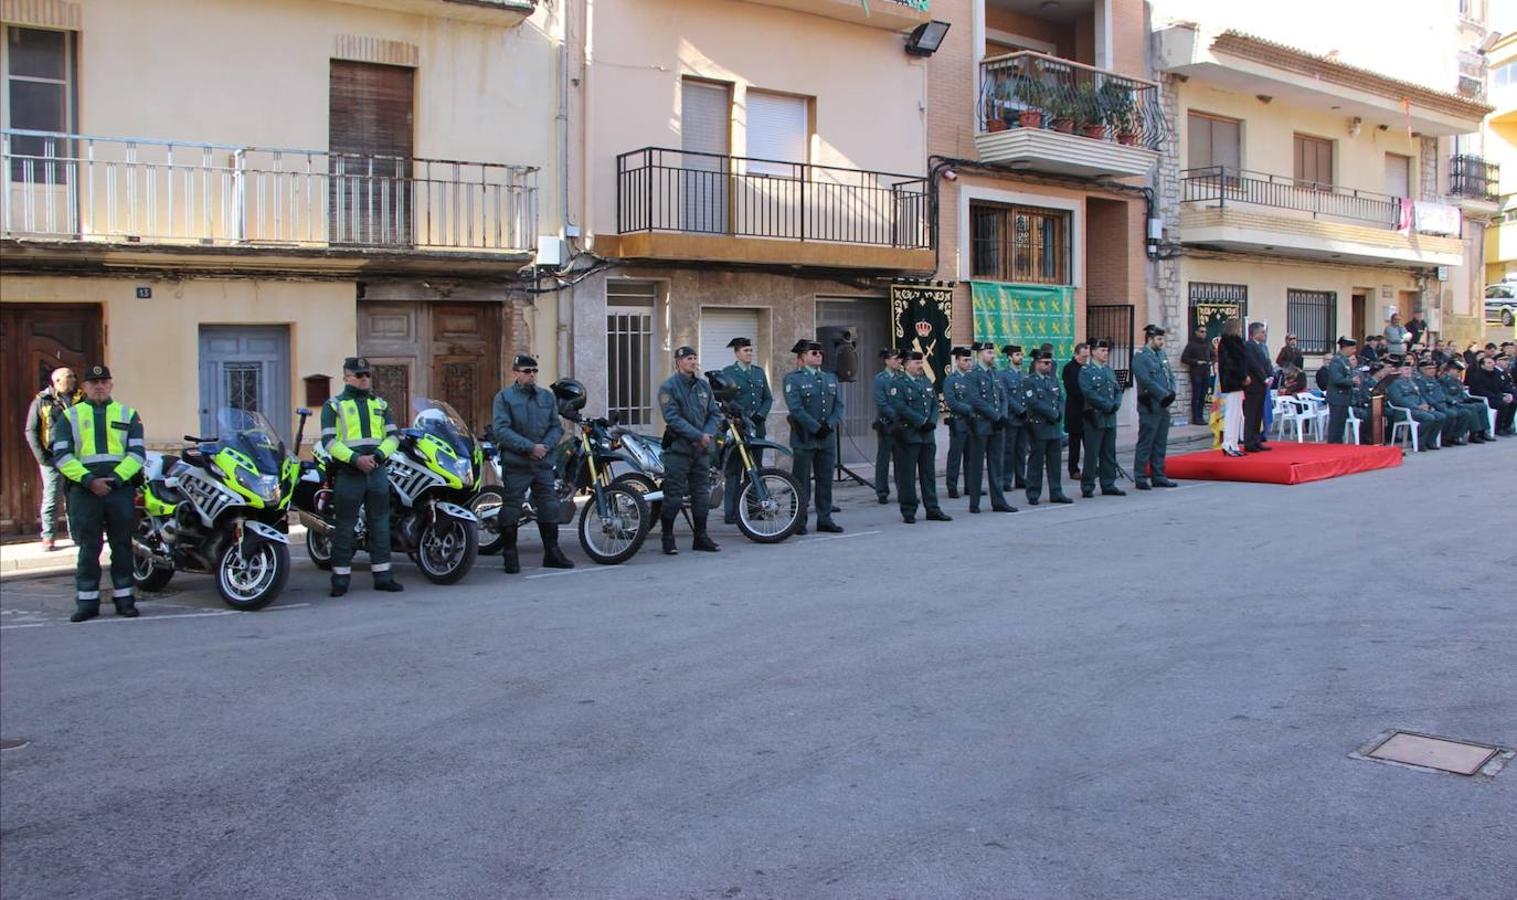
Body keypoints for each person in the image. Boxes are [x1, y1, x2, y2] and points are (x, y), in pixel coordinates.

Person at [49, 365, 144, 622]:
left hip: (119, 491)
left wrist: (114, 480)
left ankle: (125, 600)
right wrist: (90, 481)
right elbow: (61, 455)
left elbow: (137, 455)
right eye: (94, 383)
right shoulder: (70, 417)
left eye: (104, 381)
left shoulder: (128, 414)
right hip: (84, 492)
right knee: (88, 548)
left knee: (122, 547)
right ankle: (87, 602)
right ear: (85, 388)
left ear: (111, 384)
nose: (99, 386)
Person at [321, 357, 407, 596]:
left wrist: (378, 456)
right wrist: (355, 459)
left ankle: (383, 576)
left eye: (367, 374)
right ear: (346, 377)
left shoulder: (380, 404)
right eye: (359, 375)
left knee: (380, 524)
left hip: (376, 471)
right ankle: (340, 579)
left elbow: (393, 437)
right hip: (350, 473)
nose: (364, 379)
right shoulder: (334, 405)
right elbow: (328, 441)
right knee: (345, 526)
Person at [658, 346, 722, 554]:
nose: (693, 362)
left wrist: (708, 434)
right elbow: (672, 418)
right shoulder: (669, 387)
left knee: (701, 494)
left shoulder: (703, 386)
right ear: (678, 363)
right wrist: (698, 436)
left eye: (694, 358)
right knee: (673, 496)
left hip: (701, 450)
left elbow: (714, 413)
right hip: (679, 450)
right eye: (688, 359)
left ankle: (701, 537)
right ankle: (667, 537)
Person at [783, 339, 844, 535]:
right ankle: (798, 520)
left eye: (820, 353)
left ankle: (824, 518)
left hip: (827, 438)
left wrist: (830, 424)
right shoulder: (793, 379)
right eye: (813, 353)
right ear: (802, 358)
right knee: (801, 482)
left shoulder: (830, 378)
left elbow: (838, 406)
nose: (818, 356)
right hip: (805, 437)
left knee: (825, 480)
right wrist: (816, 427)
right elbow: (796, 408)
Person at [889, 351, 952, 524]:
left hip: (927, 435)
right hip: (909, 434)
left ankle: (932, 508)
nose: (919, 366)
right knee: (907, 475)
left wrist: (931, 421)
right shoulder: (898, 383)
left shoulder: (925, 381)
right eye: (916, 363)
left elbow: (934, 404)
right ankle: (909, 510)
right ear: (907, 364)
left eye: (920, 362)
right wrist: (920, 421)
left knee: (928, 474)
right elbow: (900, 406)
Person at [25, 366, 81, 551]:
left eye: (73, 376)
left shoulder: (80, 399)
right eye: (68, 377)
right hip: (52, 459)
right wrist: (42, 458)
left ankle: (77, 535)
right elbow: (31, 431)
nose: (73, 379)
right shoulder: (42, 401)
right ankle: (48, 537)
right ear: (56, 381)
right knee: (52, 498)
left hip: (75, 458)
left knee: (74, 499)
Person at [719, 337, 773, 525]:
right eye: (745, 351)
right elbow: (725, 400)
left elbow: (768, 398)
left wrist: (761, 415)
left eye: (750, 350)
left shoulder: (758, 373)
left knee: (755, 470)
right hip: (737, 428)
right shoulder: (728, 373)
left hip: (756, 428)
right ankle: (731, 512)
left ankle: (755, 510)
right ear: (737, 353)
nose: (749, 354)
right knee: (734, 471)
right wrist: (738, 416)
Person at [967, 342, 1014, 513]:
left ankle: (998, 501)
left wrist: (1003, 416)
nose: (992, 355)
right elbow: (975, 400)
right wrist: (996, 416)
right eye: (988, 352)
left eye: (993, 352)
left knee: (997, 464)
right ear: (979, 354)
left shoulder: (995, 373)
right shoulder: (973, 374)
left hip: (996, 425)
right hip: (981, 424)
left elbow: (1003, 397)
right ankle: (974, 502)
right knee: (977, 464)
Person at [1022, 350, 1073, 505]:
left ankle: (1056, 492)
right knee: (1036, 462)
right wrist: (1052, 413)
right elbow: (1034, 402)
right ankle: (1033, 493)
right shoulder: (1030, 381)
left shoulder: (1053, 380)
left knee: (1055, 463)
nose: (1049, 365)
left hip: (1054, 427)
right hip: (1039, 426)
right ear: (1037, 364)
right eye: (1046, 363)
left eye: (1050, 362)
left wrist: (1059, 413)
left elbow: (1061, 399)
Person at [1132, 325, 1179, 487]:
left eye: (1162, 339)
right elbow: (1146, 380)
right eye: (1159, 339)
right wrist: (1163, 394)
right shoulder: (1141, 357)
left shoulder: (1161, 355)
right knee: (1146, 441)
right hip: (1150, 405)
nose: (1162, 342)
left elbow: (1169, 375)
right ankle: (1140, 476)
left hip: (1163, 405)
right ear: (1150, 339)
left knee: (1160, 441)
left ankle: (1158, 475)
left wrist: (1172, 392)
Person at [1077, 339, 1124, 498]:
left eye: (1106, 351)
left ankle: (1108, 483)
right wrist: (1106, 405)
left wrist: (1116, 404)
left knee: (1109, 452)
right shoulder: (1086, 371)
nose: (1105, 354)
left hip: (1110, 417)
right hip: (1095, 416)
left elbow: (1118, 389)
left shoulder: (1108, 370)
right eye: (1102, 351)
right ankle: (1088, 485)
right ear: (1094, 352)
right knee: (1092, 453)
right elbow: (1089, 392)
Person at [1383, 358, 1446, 449]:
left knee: (1441, 416)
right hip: (1405, 411)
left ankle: (1430, 441)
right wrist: (1417, 406)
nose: (1408, 371)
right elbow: (1398, 400)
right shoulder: (1394, 383)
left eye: (1409, 369)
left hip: (1418, 409)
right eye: (1405, 369)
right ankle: (1419, 442)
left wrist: (1424, 404)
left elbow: (1420, 395)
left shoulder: (1411, 382)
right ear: (1398, 370)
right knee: (1429, 418)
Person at [871, 348, 904, 505]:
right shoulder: (880, 379)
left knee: (901, 459)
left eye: (900, 359)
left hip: (901, 424)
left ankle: (903, 490)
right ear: (887, 360)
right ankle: (882, 491)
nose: (899, 361)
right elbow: (881, 402)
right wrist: (896, 416)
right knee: (884, 458)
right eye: (896, 359)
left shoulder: (902, 377)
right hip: (887, 424)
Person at [1413, 358, 1471, 446]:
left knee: (1465, 412)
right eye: (1429, 368)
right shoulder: (1420, 381)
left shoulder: (1434, 379)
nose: (1432, 370)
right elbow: (1424, 395)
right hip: (1434, 405)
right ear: (1421, 369)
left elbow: (1441, 393)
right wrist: (1435, 404)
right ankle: (1444, 438)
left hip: (1443, 403)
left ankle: (1455, 436)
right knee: (1450, 414)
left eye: (1433, 368)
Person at [997, 344, 1029, 491]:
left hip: (1024, 419)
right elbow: (1006, 397)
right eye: (1017, 355)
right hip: (1011, 418)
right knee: (1008, 451)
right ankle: (1006, 480)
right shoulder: (1003, 375)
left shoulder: (1024, 375)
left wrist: (1027, 411)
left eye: (1021, 355)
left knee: (1021, 450)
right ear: (1009, 357)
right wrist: (1020, 410)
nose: (1020, 357)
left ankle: (1020, 478)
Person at [943, 347, 973, 499]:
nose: (968, 363)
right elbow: (952, 402)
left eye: (969, 360)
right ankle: (952, 486)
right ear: (957, 361)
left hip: (972, 423)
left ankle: (970, 486)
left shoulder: (972, 378)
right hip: (959, 422)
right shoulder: (951, 380)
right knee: (955, 456)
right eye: (965, 360)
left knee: (971, 456)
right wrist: (972, 410)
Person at [1438, 360, 1493, 443]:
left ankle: (1483, 431)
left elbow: (1461, 393)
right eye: (1457, 371)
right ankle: (1474, 433)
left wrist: (1467, 398)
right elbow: (1444, 395)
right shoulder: (1443, 380)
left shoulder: (1457, 380)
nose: (1458, 373)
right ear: (1450, 370)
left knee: (1482, 406)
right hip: (1452, 404)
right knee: (1472, 408)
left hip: (1461, 402)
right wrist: (1455, 401)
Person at [1217, 319, 1249, 457]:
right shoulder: (1229, 342)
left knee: (1237, 414)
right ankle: (1228, 443)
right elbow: (1232, 364)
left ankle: (1234, 443)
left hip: (1236, 382)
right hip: (1232, 382)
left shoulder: (1234, 341)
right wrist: (1243, 376)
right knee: (1232, 414)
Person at [1466, 354, 1516, 436]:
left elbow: (1501, 387)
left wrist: (1508, 395)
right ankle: (1498, 428)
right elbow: (1481, 391)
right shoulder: (1476, 376)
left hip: (1495, 396)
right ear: (1482, 365)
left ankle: (1506, 426)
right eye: (1489, 363)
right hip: (1482, 399)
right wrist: (1501, 397)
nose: (1492, 364)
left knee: (1513, 402)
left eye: (1492, 363)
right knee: (1503, 404)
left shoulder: (1496, 374)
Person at [1321, 337, 1359, 444]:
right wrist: (1352, 381)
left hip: (1344, 396)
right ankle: (1333, 445)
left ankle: (1338, 444)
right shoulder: (1336, 361)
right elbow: (1337, 379)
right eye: (1352, 348)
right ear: (1345, 347)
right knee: (1335, 424)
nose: (1354, 351)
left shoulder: (1345, 360)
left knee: (1341, 424)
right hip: (1337, 396)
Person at [1243, 322, 1273, 452]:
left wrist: (1271, 375)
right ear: (1255, 333)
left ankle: (1257, 440)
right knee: (1251, 414)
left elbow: (1267, 362)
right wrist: (1264, 377)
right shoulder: (1249, 346)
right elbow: (1253, 364)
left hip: (1262, 386)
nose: (1264, 334)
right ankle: (1249, 442)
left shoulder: (1262, 347)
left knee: (1258, 415)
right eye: (1262, 332)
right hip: (1253, 385)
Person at [1062, 343, 1089, 480]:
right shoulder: (1069, 368)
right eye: (1083, 356)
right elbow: (1073, 390)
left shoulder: (1087, 368)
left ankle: (1090, 467)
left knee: (1089, 442)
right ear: (1076, 354)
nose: (1085, 359)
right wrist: (1089, 399)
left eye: (1087, 356)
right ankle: (1073, 469)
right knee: (1075, 443)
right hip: (1075, 411)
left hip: (1088, 412)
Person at [1180, 325, 1213, 426]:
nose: (1204, 334)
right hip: (1196, 373)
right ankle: (1196, 418)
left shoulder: (1207, 344)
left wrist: (1211, 361)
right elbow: (1184, 358)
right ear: (1197, 332)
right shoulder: (1191, 344)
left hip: (1206, 372)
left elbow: (1212, 354)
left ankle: (1201, 417)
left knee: (1203, 396)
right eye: (1202, 332)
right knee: (1196, 396)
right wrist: (1197, 362)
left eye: (1205, 332)